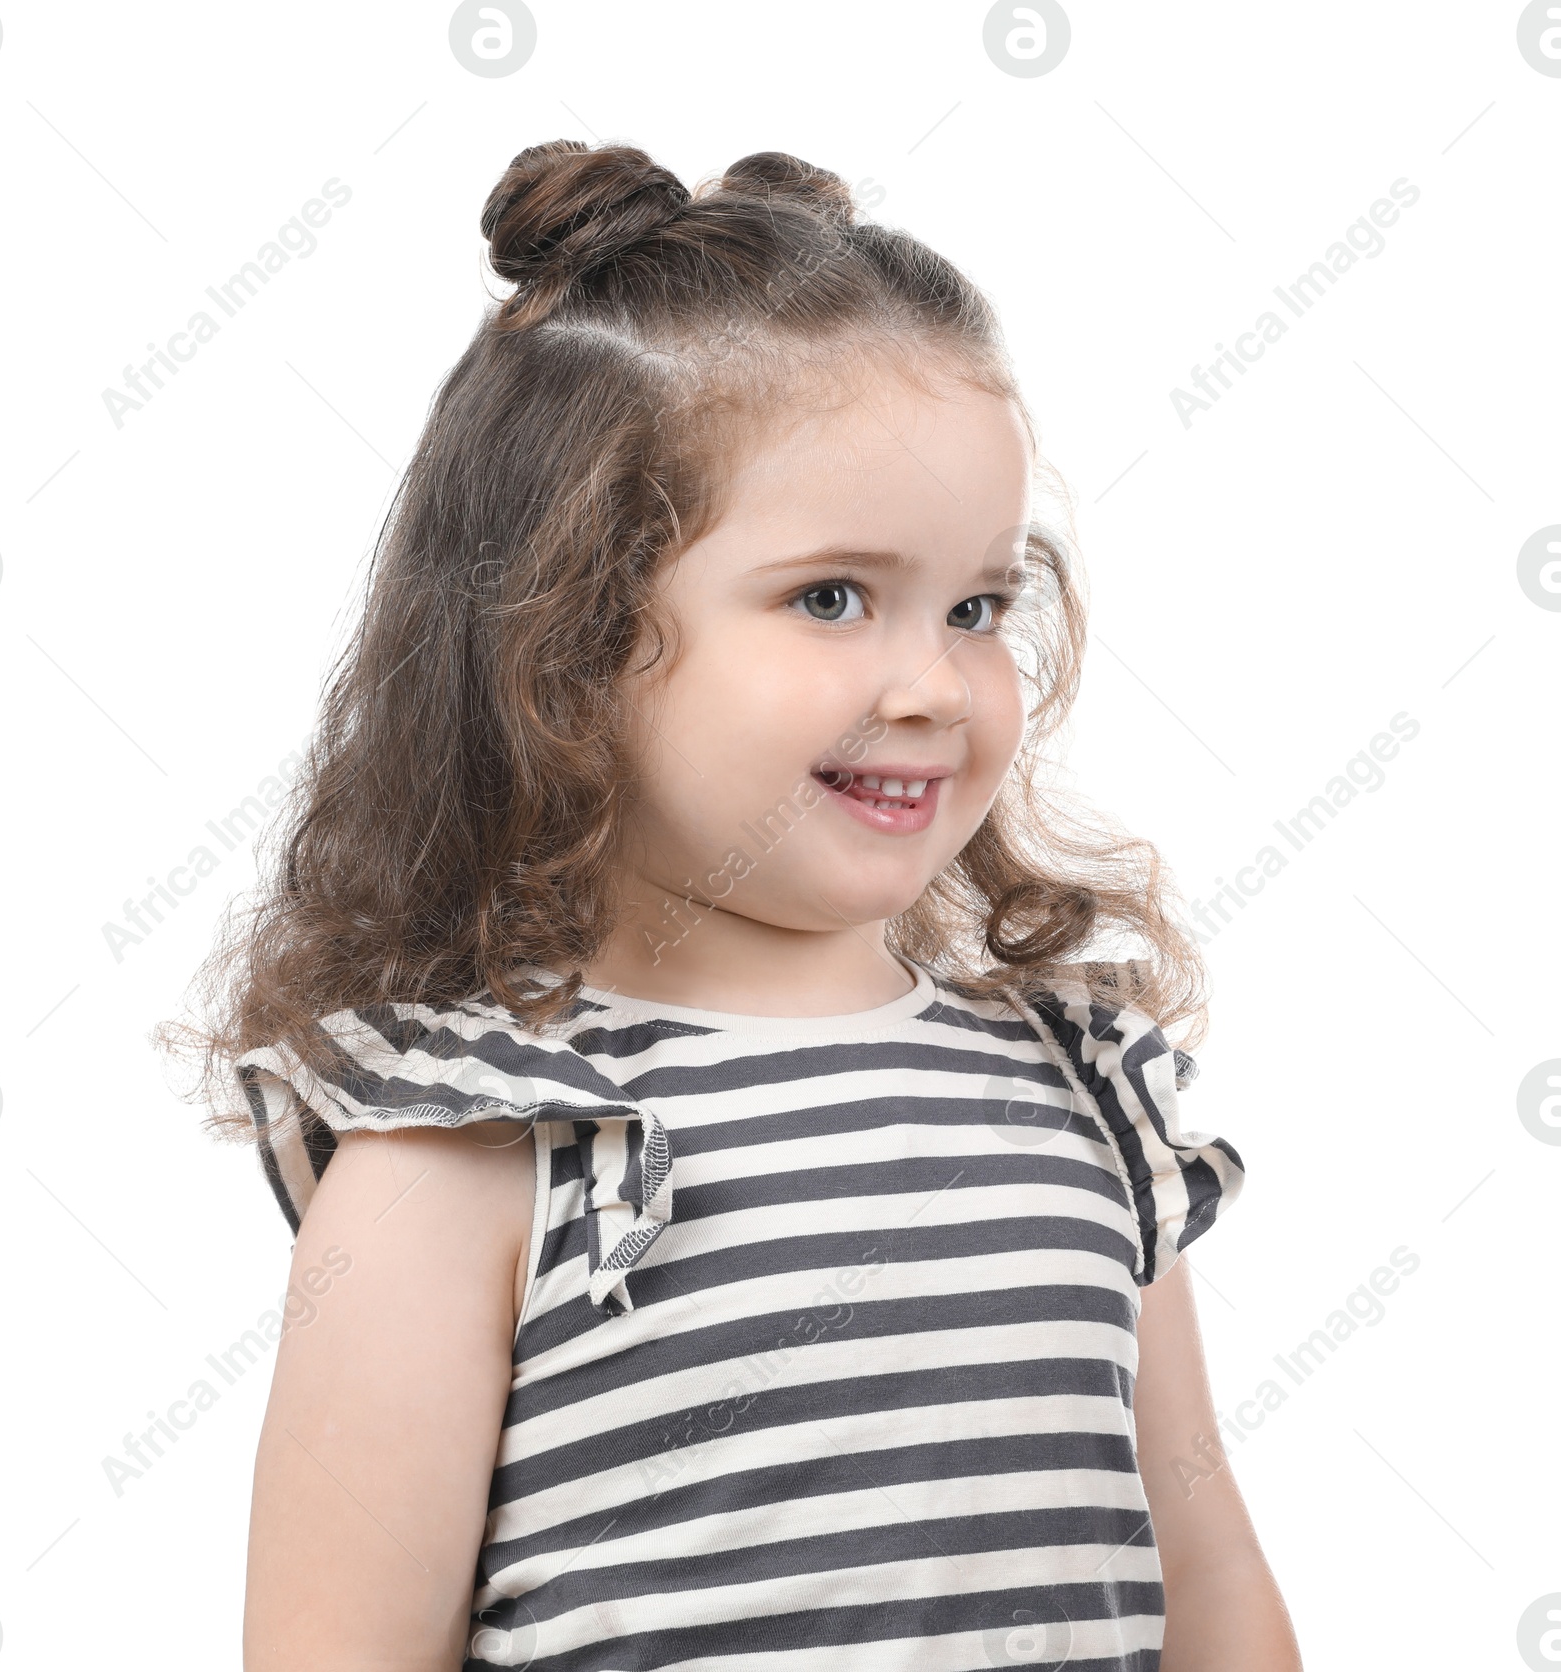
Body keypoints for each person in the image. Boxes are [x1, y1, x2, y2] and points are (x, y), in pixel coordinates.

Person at [178, 139, 1302, 1669]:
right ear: (567, 642)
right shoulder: (482, 1141)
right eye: (831, 597)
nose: (931, 684)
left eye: (975, 607)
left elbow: (1216, 1594)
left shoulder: (1079, 1095)